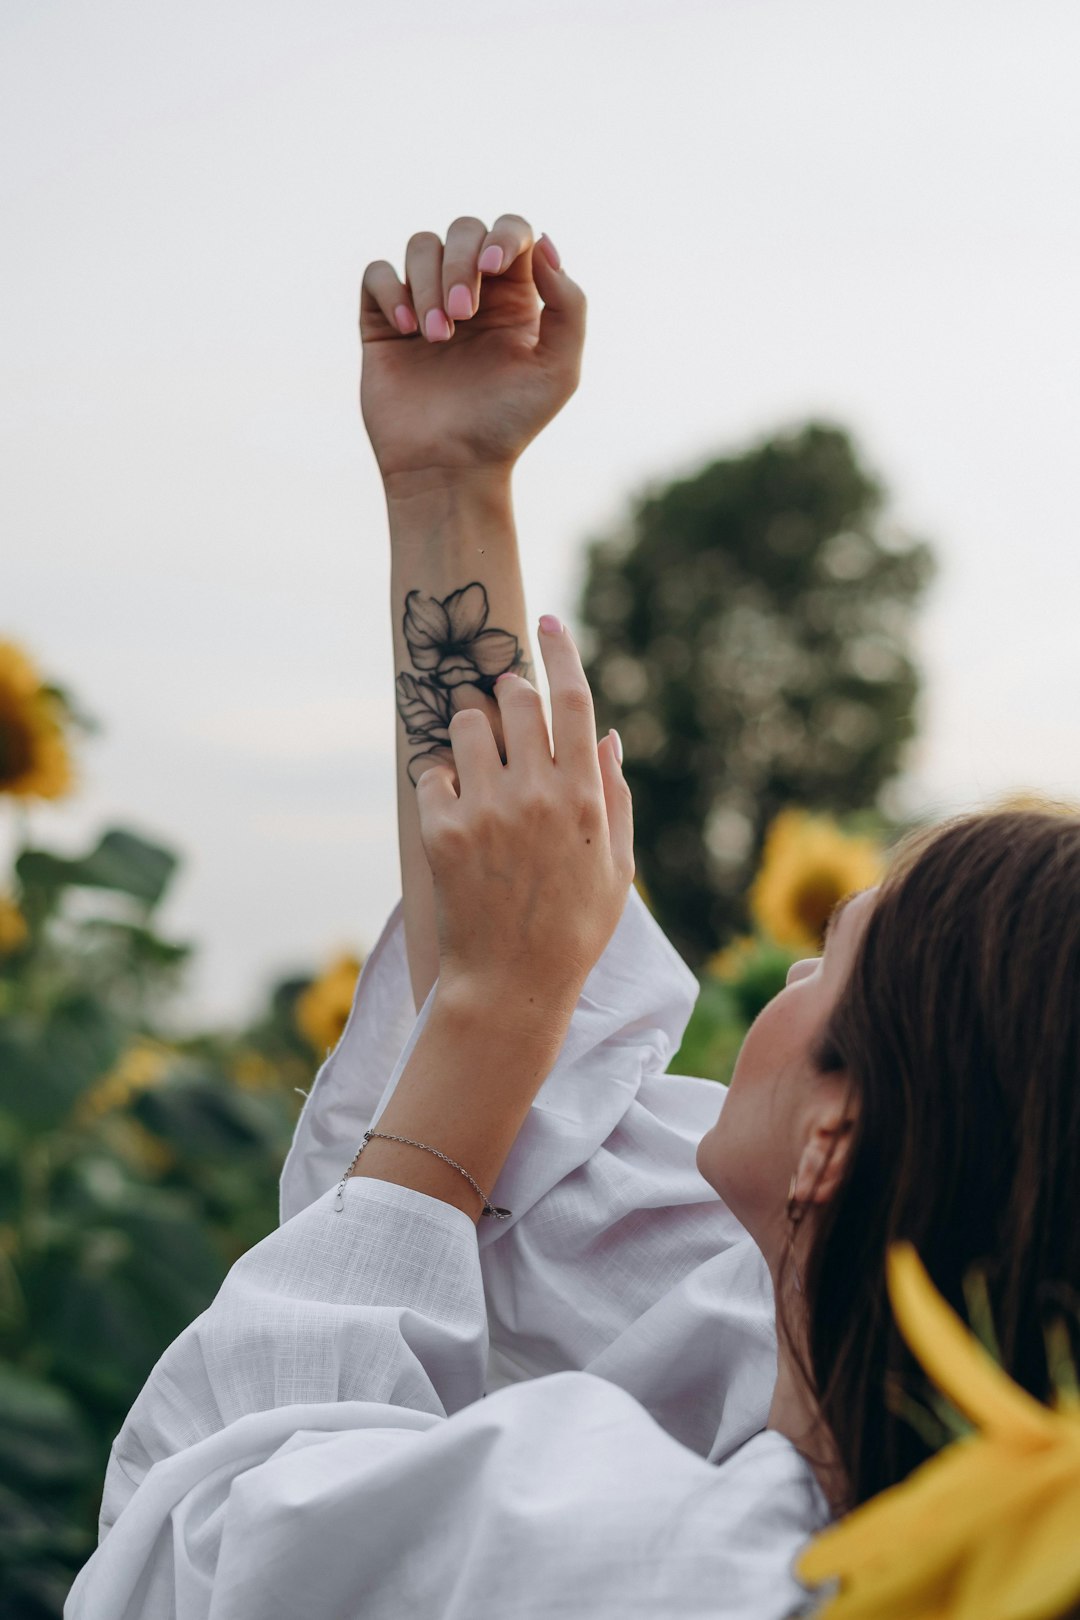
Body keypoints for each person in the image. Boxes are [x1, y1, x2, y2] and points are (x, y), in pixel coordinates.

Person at [64, 218, 1080, 1620]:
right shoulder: (827, 1384)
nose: (785, 969)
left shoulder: (687, 1576)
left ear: (839, 1140)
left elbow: (219, 1537)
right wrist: (448, 483)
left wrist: (495, 1008)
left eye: (829, 959)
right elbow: (554, 1148)